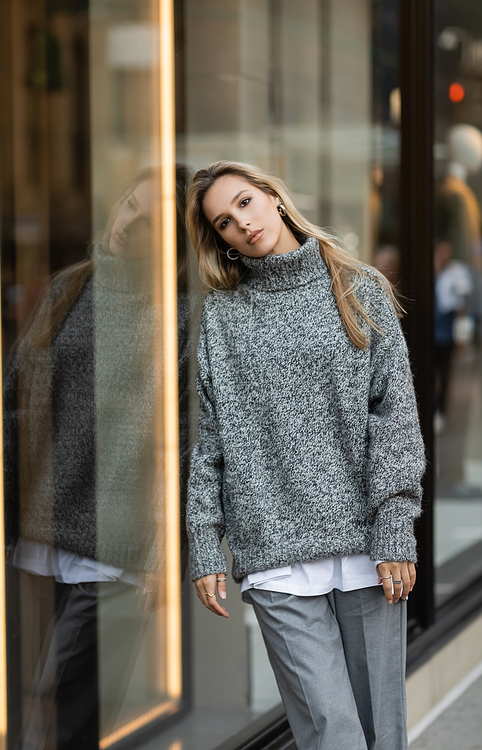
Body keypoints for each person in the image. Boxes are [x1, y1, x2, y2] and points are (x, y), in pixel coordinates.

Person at [185, 160, 425, 750]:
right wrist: (202, 538)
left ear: (272, 196)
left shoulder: (356, 285)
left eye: (244, 203)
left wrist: (395, 527)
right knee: (334, 734)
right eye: (223, 221)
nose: (240, 224)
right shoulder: (224, 316)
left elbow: (394, 416)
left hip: (366, 549)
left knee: (382, 734)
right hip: (274, 554)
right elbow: (212, 439)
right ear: (221, 240)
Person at [3, 166, 191, 749]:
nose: (129, 224)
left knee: (64, 721)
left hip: (117, 554)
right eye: (129, 205)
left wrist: (164, 549)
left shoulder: (183, 316)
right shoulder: (69, 287)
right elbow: (15, 405)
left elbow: (183, 443)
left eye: (151, 221)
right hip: (37, 535)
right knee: (18, 712)